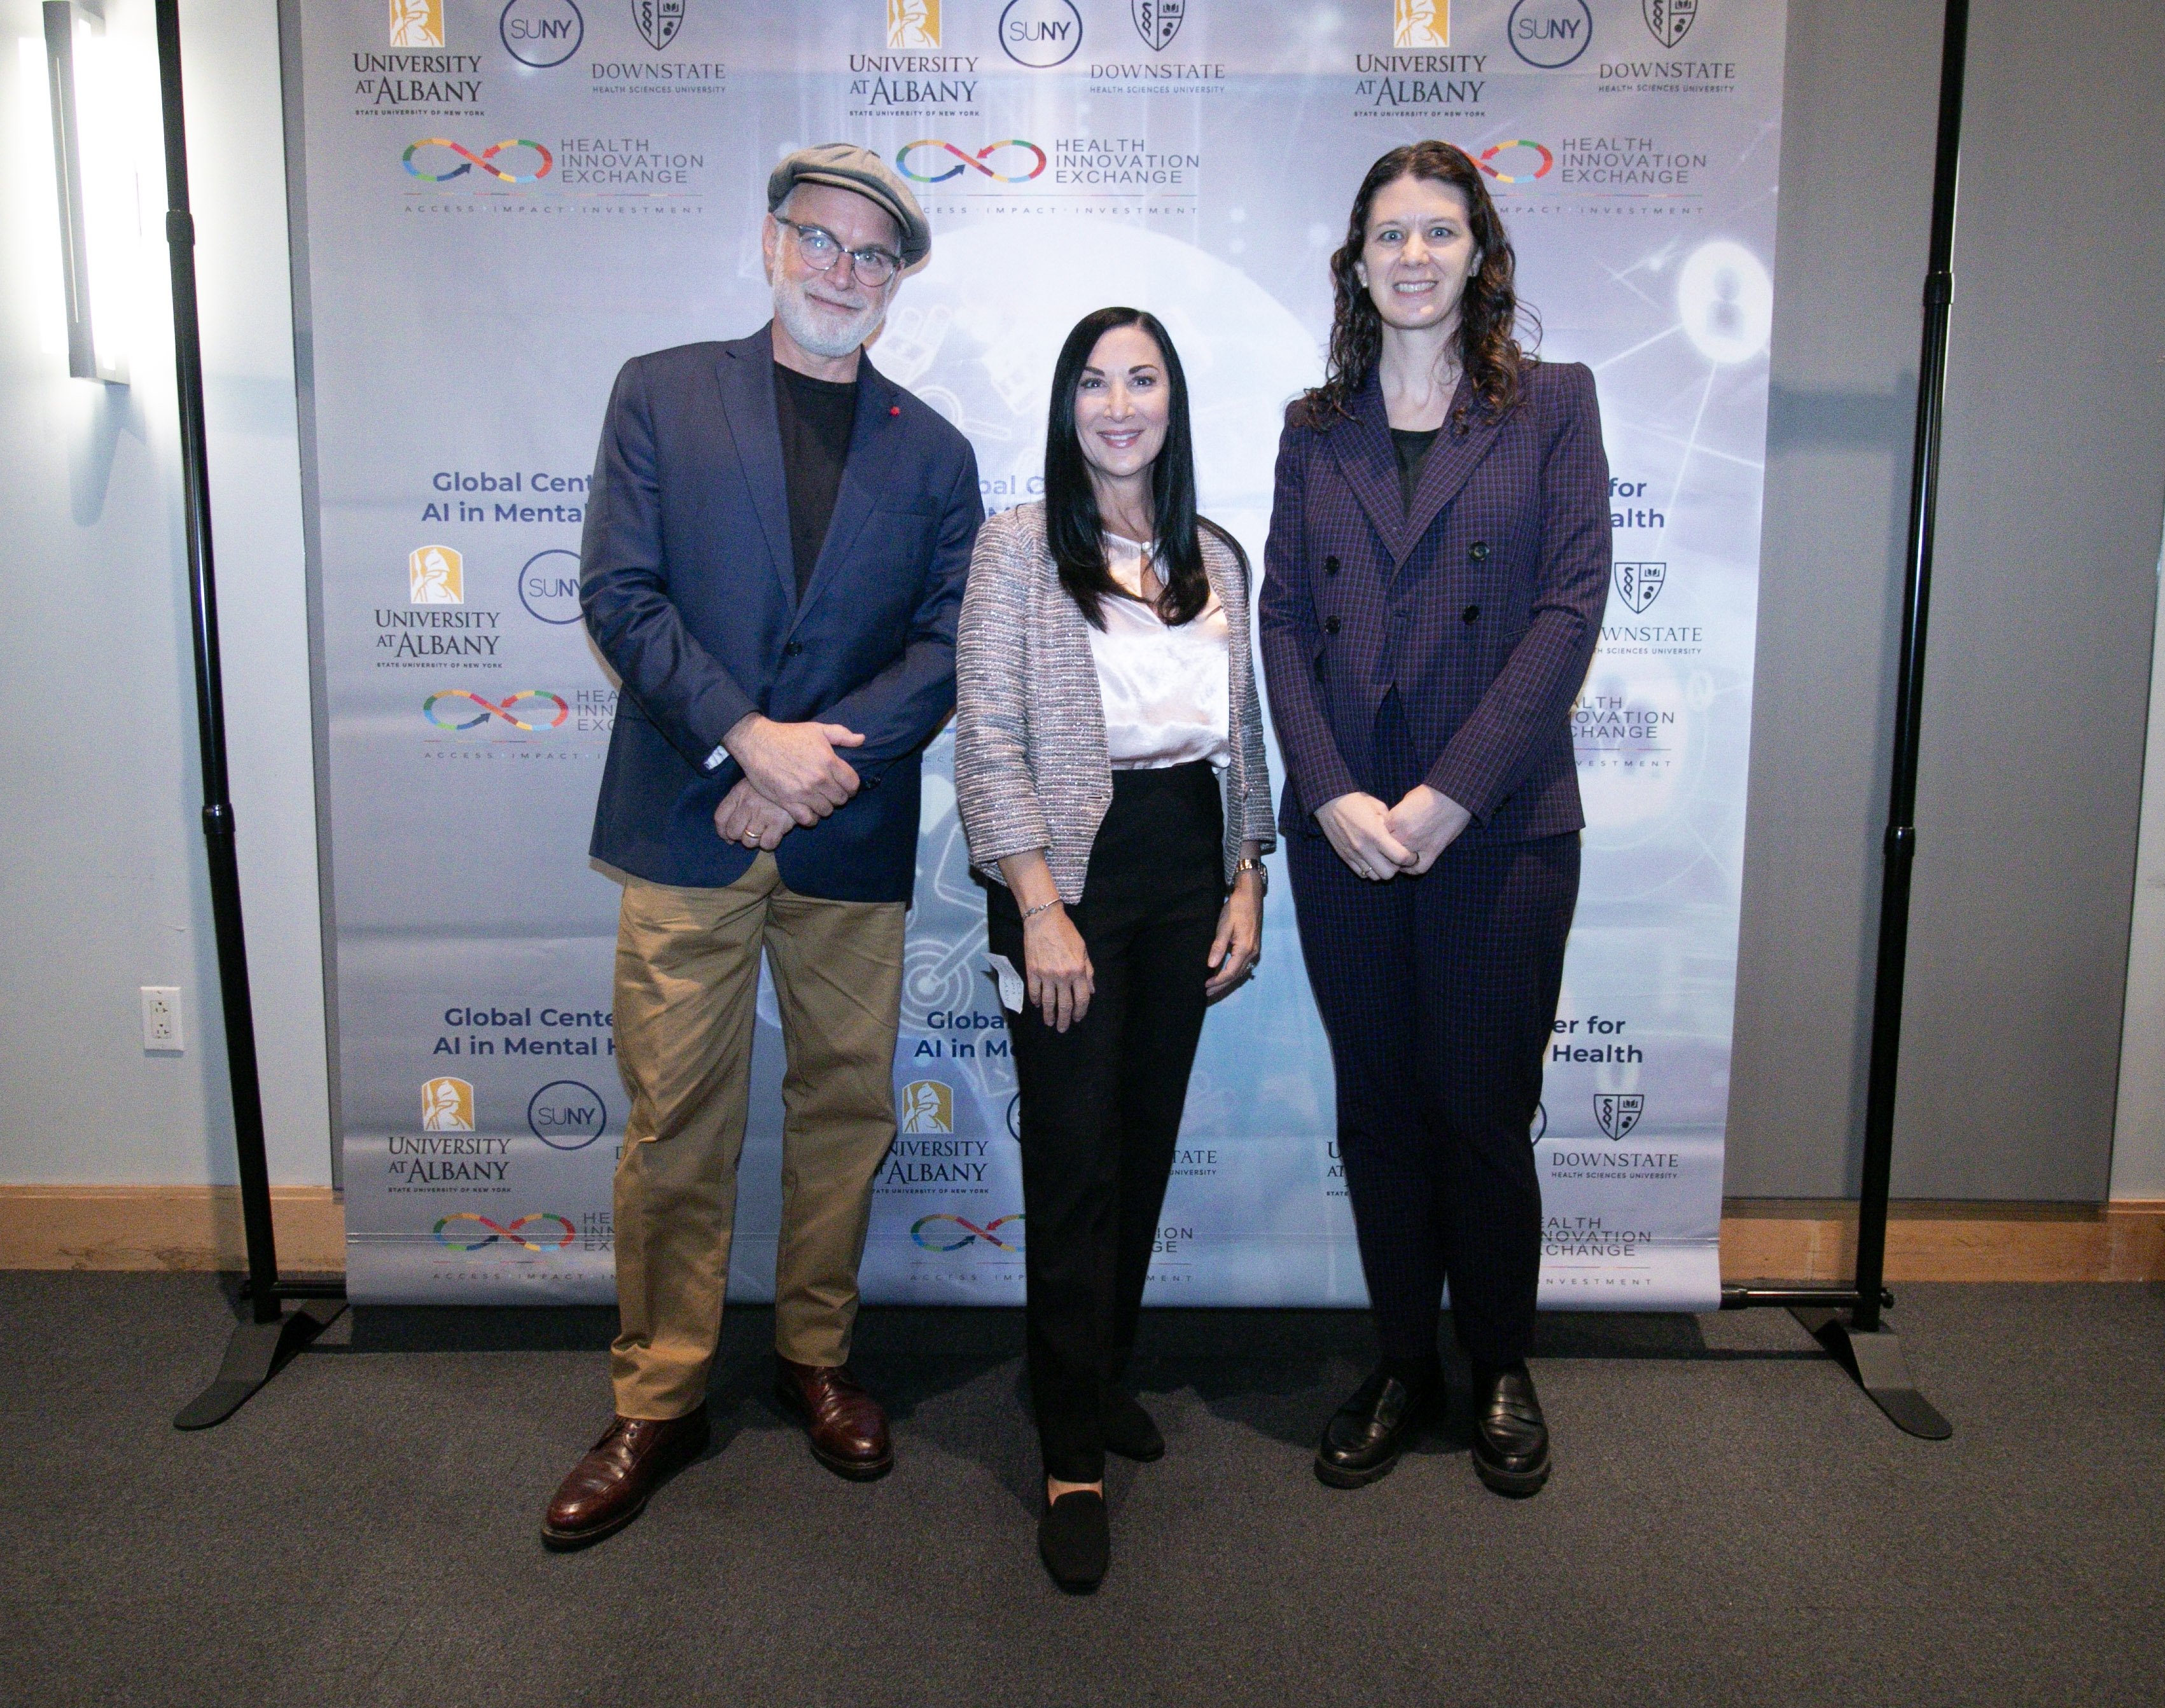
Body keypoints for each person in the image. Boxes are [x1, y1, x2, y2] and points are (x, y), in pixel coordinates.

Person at [540, 144, 984, 1550]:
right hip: (685, 819)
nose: (843, 271)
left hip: (844, 839)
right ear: (770, 242)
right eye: (821, 240)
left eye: (873, 255)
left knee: (848, 1110)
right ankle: (659, 1392)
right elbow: (620, 594)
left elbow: (945, 646)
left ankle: (814, 1353)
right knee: (678, 1120)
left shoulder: (936, 447)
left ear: (898, 281)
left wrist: (803, 771)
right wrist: (747, 737)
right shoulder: (662, 391)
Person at [1258, 141, 1611, 1499]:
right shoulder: (1312, 424)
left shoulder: (1553, 408)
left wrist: (1449, 792)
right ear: (1357, 259)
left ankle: (1500, 1362)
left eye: (1438, 232)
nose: (1412, 256)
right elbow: (1283, 619)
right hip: (1346, 827)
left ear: (1479, 253)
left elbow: (1568, 606)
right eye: (1388, 234)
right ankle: (1404, 1360)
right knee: (1379, 1109)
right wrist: (1335, 790)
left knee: (1479, 1106)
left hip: (1501, 825)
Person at [954, 307, 1274, 1589]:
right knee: (1077, 1158)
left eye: (1141, 378)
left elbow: (1236, 735)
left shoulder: (1216, 556)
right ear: (1065, 404)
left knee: (1140, 1150)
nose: (1118, 402)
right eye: (1094, 379)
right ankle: (1071, 1448)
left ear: (1172, 400)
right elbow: (986, 741)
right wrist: (1038, 907)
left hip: (1185, 864)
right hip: (1066, 878)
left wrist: (1248, 874)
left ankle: (1094, 1370)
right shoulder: (1018, 545)